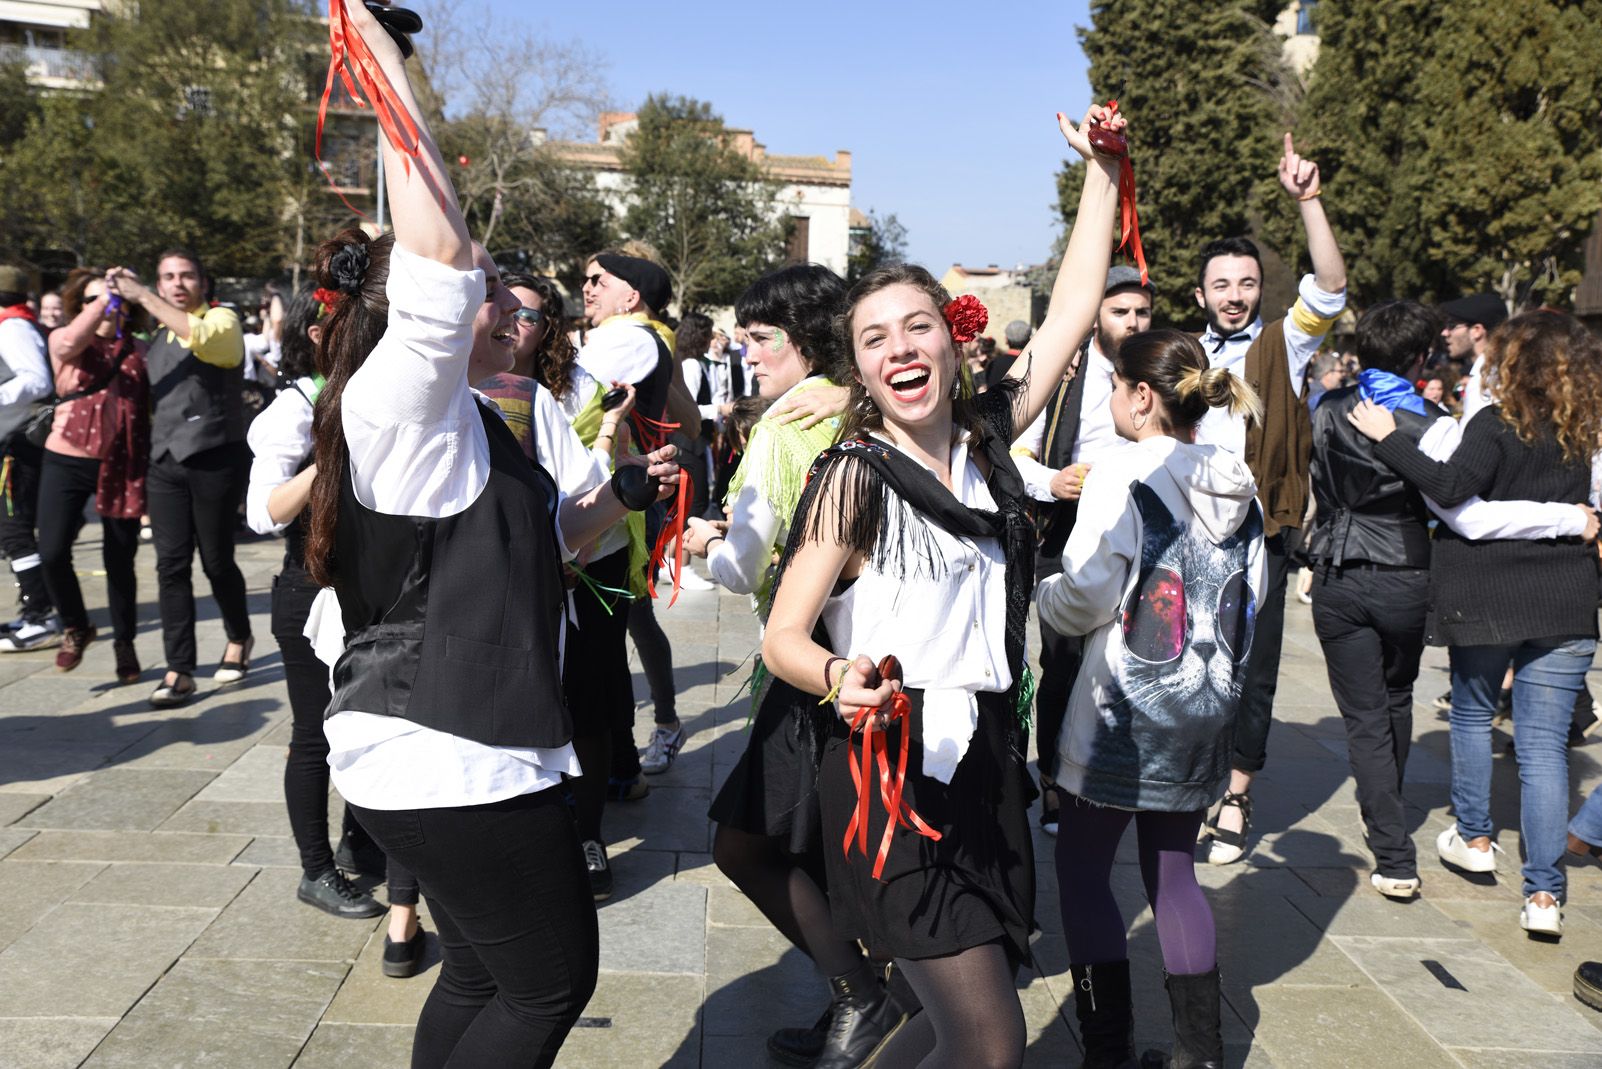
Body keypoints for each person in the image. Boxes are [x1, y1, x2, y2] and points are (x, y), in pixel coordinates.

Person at [300, 5, 678, 1062]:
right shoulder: (398, 402)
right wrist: (380, 58)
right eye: (484, 298)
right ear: (411, 314)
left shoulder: (471, 419)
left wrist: (622, 499)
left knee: (481, 971)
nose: (505, 309)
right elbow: (441, 250)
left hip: (453, 740)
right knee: (551, 982)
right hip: (446, 751)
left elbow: (544, 546)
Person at [758, 104, 1125, 1067]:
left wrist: (1103, 172)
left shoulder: (991, 440)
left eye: (918, 326)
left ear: (955, 342)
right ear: (863, 371)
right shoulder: (855, 474)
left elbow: (1075, 304)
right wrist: (842, 679)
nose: (900, 348)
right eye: (876, 340)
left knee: (948, 1011)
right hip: (889, 763)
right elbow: (783, 636)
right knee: (991, 1039)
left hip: (989, 756)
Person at [1305, 301, 1591, 902]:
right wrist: (1571, 516)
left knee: (1377, 718)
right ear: (1420, 358)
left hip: (1344, 568)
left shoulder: (1328, 410)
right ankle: (1536, 889)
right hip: (1417, 575)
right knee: (1407, 702)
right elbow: (1460, 508)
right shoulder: (1442, 424)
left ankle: (1416, 842)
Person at [1037, 329, 1264, 1069]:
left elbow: (1090, 588)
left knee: (1082, 870)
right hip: (1203, 711)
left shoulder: (1123, 470)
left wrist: (1043, 599)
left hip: (1120, 714)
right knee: (1173, 869)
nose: (1109, 401)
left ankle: (1106, 1049)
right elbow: (1249, 602)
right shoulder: (1237, 475)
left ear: (1141, 395)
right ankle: (1201, 1053)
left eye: (1113, 387)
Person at [684, 263, 863, 1068]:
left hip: (812, 666)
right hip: (877, 656)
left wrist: (705, 544)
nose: (747, 353)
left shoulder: (784, 430)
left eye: (760, 339)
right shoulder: (868, 412)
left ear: (801, 341)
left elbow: (746, 566)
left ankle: (862, 994)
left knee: (744, 843)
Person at [1192, 133, 1348, 866]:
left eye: (1246, 283)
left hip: (1263, 534)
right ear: (1202, 294)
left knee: (1252, 664)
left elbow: (1332, 287)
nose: (1234, 295)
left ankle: (1236, 791)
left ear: (1261, 287)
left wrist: (1309, 201)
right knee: (1192, 660)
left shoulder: (1284, 343)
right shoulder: (1182, 356)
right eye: (1221, 285)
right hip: (1191, 536)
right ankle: (1192, 782)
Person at [483, 271, 649, 900]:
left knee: (588, 696)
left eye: (527, 315)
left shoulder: (583, 389)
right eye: (503, 310)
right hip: (509, 571)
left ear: (546, 327)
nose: (513, 323)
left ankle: (588, 835)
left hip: (590, 563)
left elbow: (602, 479)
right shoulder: (464, 387)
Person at [245, 286, 390, 929]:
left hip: (372, 591)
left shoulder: (379, 394)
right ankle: (315, 869)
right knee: (314, 736)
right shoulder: (294, 407)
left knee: (374, 723)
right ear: (318, 335)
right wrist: (328, 456)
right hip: (308, 595)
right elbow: (261, 512)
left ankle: (361, 841)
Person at [1011, 263, 1152, 836]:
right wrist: (1055, 482)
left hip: (1143, 531)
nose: (1133, 322)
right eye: (1120, 311)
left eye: (1143, 311)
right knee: (1064, 665)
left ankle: (1115, 780)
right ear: (1095, 314)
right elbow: (1012, 456)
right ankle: (1055, 785)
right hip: (1066, 533)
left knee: (1131, 661)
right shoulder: (1060, 373)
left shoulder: (1164, 369)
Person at [109, 248, 253, 707]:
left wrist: (143, 295)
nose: (176, 283)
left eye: (186, 275)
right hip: (164, 462)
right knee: (170, 566)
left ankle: (239, 636)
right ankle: (179, 669)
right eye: (167, 276)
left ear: (203, 281)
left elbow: (213, 345)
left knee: (215, 560)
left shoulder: (222, 320)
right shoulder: (157, 337)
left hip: (213, 455)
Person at [35, 268, 150, 679]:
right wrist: (107, 297)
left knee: (120, 560)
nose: (104, 306)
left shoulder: (140, 349)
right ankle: (76, 625)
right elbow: (68, 341)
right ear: (78, 306)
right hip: (66, 458)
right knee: (50, 551)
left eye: (113, 299)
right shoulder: (62, 341)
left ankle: (125, 644)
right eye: (91, 300)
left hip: (122, 464)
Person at [0, 263, 59, 653]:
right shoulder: (17, 324)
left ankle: (41, 616)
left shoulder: (12, 328)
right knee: (12, 530)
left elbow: (38, 380)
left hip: (18, 447)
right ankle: (34, 610)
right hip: (15, 443)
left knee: (14, 530)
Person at [1438, 292, 1506, 420]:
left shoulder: (1487, 382)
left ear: (1477, 331)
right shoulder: (1486, 373)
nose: (1445, 332)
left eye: (1452, 326)